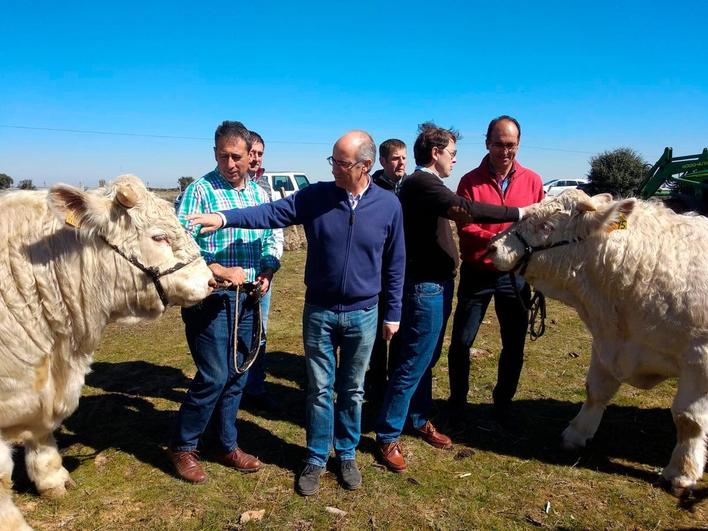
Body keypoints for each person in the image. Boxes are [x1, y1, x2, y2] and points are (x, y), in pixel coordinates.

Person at [186, 130, 405, 495]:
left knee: (352, 389)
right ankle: (317, 456)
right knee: (320, 389)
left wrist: (392, 313)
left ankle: (346, 454)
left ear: (366, 166)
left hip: (364, 313)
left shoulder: (388, 205)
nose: (334, 168)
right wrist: (224, 219)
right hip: (319, 312)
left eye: (342, 163)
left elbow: (395, 262)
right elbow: (270, 212)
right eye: (332, 160)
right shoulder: (317, 196)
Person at [375, 122, 525, 473]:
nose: (455, 160)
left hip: (438, 284)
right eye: (452, 153)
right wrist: (521, 212)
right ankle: (386, 435)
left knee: (427, 358)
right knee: (413, 361)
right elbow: (467, 208)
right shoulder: (422, 184)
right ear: (435, 153)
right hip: (424, 287)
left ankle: (418, 417)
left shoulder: (428, 185)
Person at [167, 120, 280, 483]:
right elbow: (178, 246)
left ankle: (226, 443)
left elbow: (272, 236)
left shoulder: (259, 194)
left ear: (251, 156)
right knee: (214, 375)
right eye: (222, 156)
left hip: (248, 298)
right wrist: (215, 267)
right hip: (211, 300)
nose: (229, 164)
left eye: (235, 156)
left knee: (238, 374)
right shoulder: (200, 192)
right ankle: (184, 446)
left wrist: (267, 270)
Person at [447, 116, 544, 427]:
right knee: (462, 342)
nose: (506, 151)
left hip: (514, 277)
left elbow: (538, 225)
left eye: (511, 145)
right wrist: (497, 241)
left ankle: (503, 403)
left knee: (514, 344)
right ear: (487, 143)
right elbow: (465, 224)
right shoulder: (469, 181)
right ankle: (457, 402)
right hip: (478, 272)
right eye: (500, 145)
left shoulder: (533, 180)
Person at [242, 131, 285, 412]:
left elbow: (275, 234)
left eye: (260, 154)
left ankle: (255, 389)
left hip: (260, 276)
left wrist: (268, 269)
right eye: (252, 153)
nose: (256, 158)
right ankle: (231, 390)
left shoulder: (266, 190)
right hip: (231, 276)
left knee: (260, 334)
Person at [365, 138, 407, 403]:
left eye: (404, 158)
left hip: (401, 273)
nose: (401, 163)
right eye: (395, 158)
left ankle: (395, 383)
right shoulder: (375, 189)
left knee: (399, 332)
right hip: (375, 274)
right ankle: (376, 385)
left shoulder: (409, 188)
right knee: (378, 336)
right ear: (382, 161)